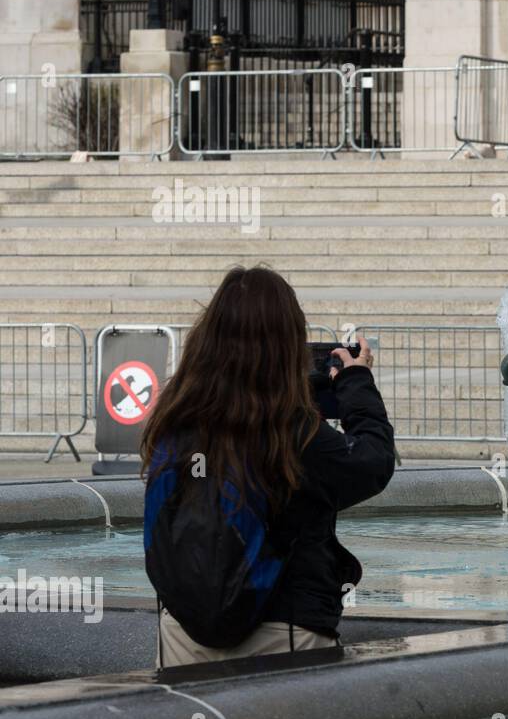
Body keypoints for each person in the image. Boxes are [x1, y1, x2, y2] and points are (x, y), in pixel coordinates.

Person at [140, 266, 395, 666]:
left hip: (180, 637)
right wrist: (356, 382)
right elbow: (372, 463)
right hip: (282, 636)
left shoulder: (176, 421)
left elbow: (240, 393)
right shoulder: (289, 434)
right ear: (288, 343)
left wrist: (314, 386)